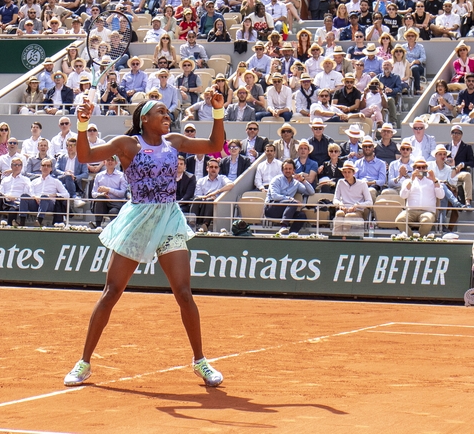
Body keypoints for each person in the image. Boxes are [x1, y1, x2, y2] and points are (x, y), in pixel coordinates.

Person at [64, 95, 226, 387]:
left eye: (167, 111)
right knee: (111, 291)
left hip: (169, 220)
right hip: (138, 220)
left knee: (184, 293)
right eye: (160, 112)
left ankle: (200, 362)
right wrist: (83, 122)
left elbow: (215, 147)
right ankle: (84, 363)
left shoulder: (174, 142)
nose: (167, 115)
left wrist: (217, 110)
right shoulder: (127, 145)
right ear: (144, 120)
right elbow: (86, 156)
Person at [396, 158, 445, 236]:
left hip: (428, 211)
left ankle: (421, 239)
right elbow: (403, 196)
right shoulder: (407, 181)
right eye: (418, 167)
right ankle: (411, 239)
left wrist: (434, 180)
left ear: (426, 169)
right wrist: (411, 180)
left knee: (426, 221)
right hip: (410, 211)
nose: (421, 169)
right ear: (414, 169)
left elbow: (441, 196)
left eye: (423, 167)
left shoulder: (434, 181)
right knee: (399, 220)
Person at [265, 160, 314, 235]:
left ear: (294, 170)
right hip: (272, 207)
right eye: (285, 169)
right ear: (282, 170)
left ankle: (291, 234)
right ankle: (283, 227)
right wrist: (290, 199)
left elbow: (311, 192)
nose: (288, 171)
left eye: (290, 169)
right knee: (293, 203)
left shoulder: (296, 183)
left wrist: (303, 180)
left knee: (302, 215)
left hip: (287, 209)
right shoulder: (276, 180)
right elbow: (275, 196)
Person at [354, 136, 387, 202]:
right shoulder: (357, 163)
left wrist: (370, 183)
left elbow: (382, 180)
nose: (367, 148)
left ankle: (372, 211)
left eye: (369, 146)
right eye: (365, 146)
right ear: (362, 148)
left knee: (370, 191)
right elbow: (354, 178)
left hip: (374, 187)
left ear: (373, 148)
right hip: (360, 186)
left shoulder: (381, 163)